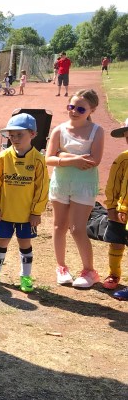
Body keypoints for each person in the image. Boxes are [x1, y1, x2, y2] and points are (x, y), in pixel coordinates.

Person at [0, 113, 49, 293]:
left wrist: (36, 212)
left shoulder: (38, 159)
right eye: (12, 135)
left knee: (24, 244)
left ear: (33, 134)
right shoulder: (3, 157)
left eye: (20, 134)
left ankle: (25, 276)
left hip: (27, 215)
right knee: (2, 242)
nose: (15, 139)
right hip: (6, 212)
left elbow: (42, 188)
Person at [45, 89, 104, 288]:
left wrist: (63, 155)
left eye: (80, 109)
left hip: (83, 185)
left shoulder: (97, 131)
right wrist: (74, 159)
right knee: (59, 226)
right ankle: (61, 267)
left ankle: (89, 271)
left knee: (78, 229)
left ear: (91, 110)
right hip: (61, 183)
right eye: (71, 106)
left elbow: (94, 160)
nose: (74, 111)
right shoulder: (59, 130)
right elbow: (48, 158)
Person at [101, 119, 128, 295]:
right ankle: (114, 274)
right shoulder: (123, 159)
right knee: (116, 243)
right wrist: (112, 207)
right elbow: (113, 185)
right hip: (119, 212)